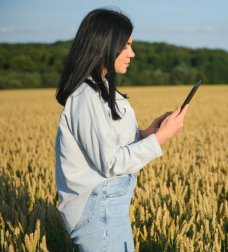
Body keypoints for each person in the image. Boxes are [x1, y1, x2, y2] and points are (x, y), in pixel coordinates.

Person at [55, 8, 188, 252]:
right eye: (126, 45)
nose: (132, 53)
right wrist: (159, 139)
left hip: (107, 207)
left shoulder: (101, 90)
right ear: (105, 44)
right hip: (99, 211)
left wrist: (147, 133)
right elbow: (110, 162)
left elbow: (110, 145)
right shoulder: (87, 98)